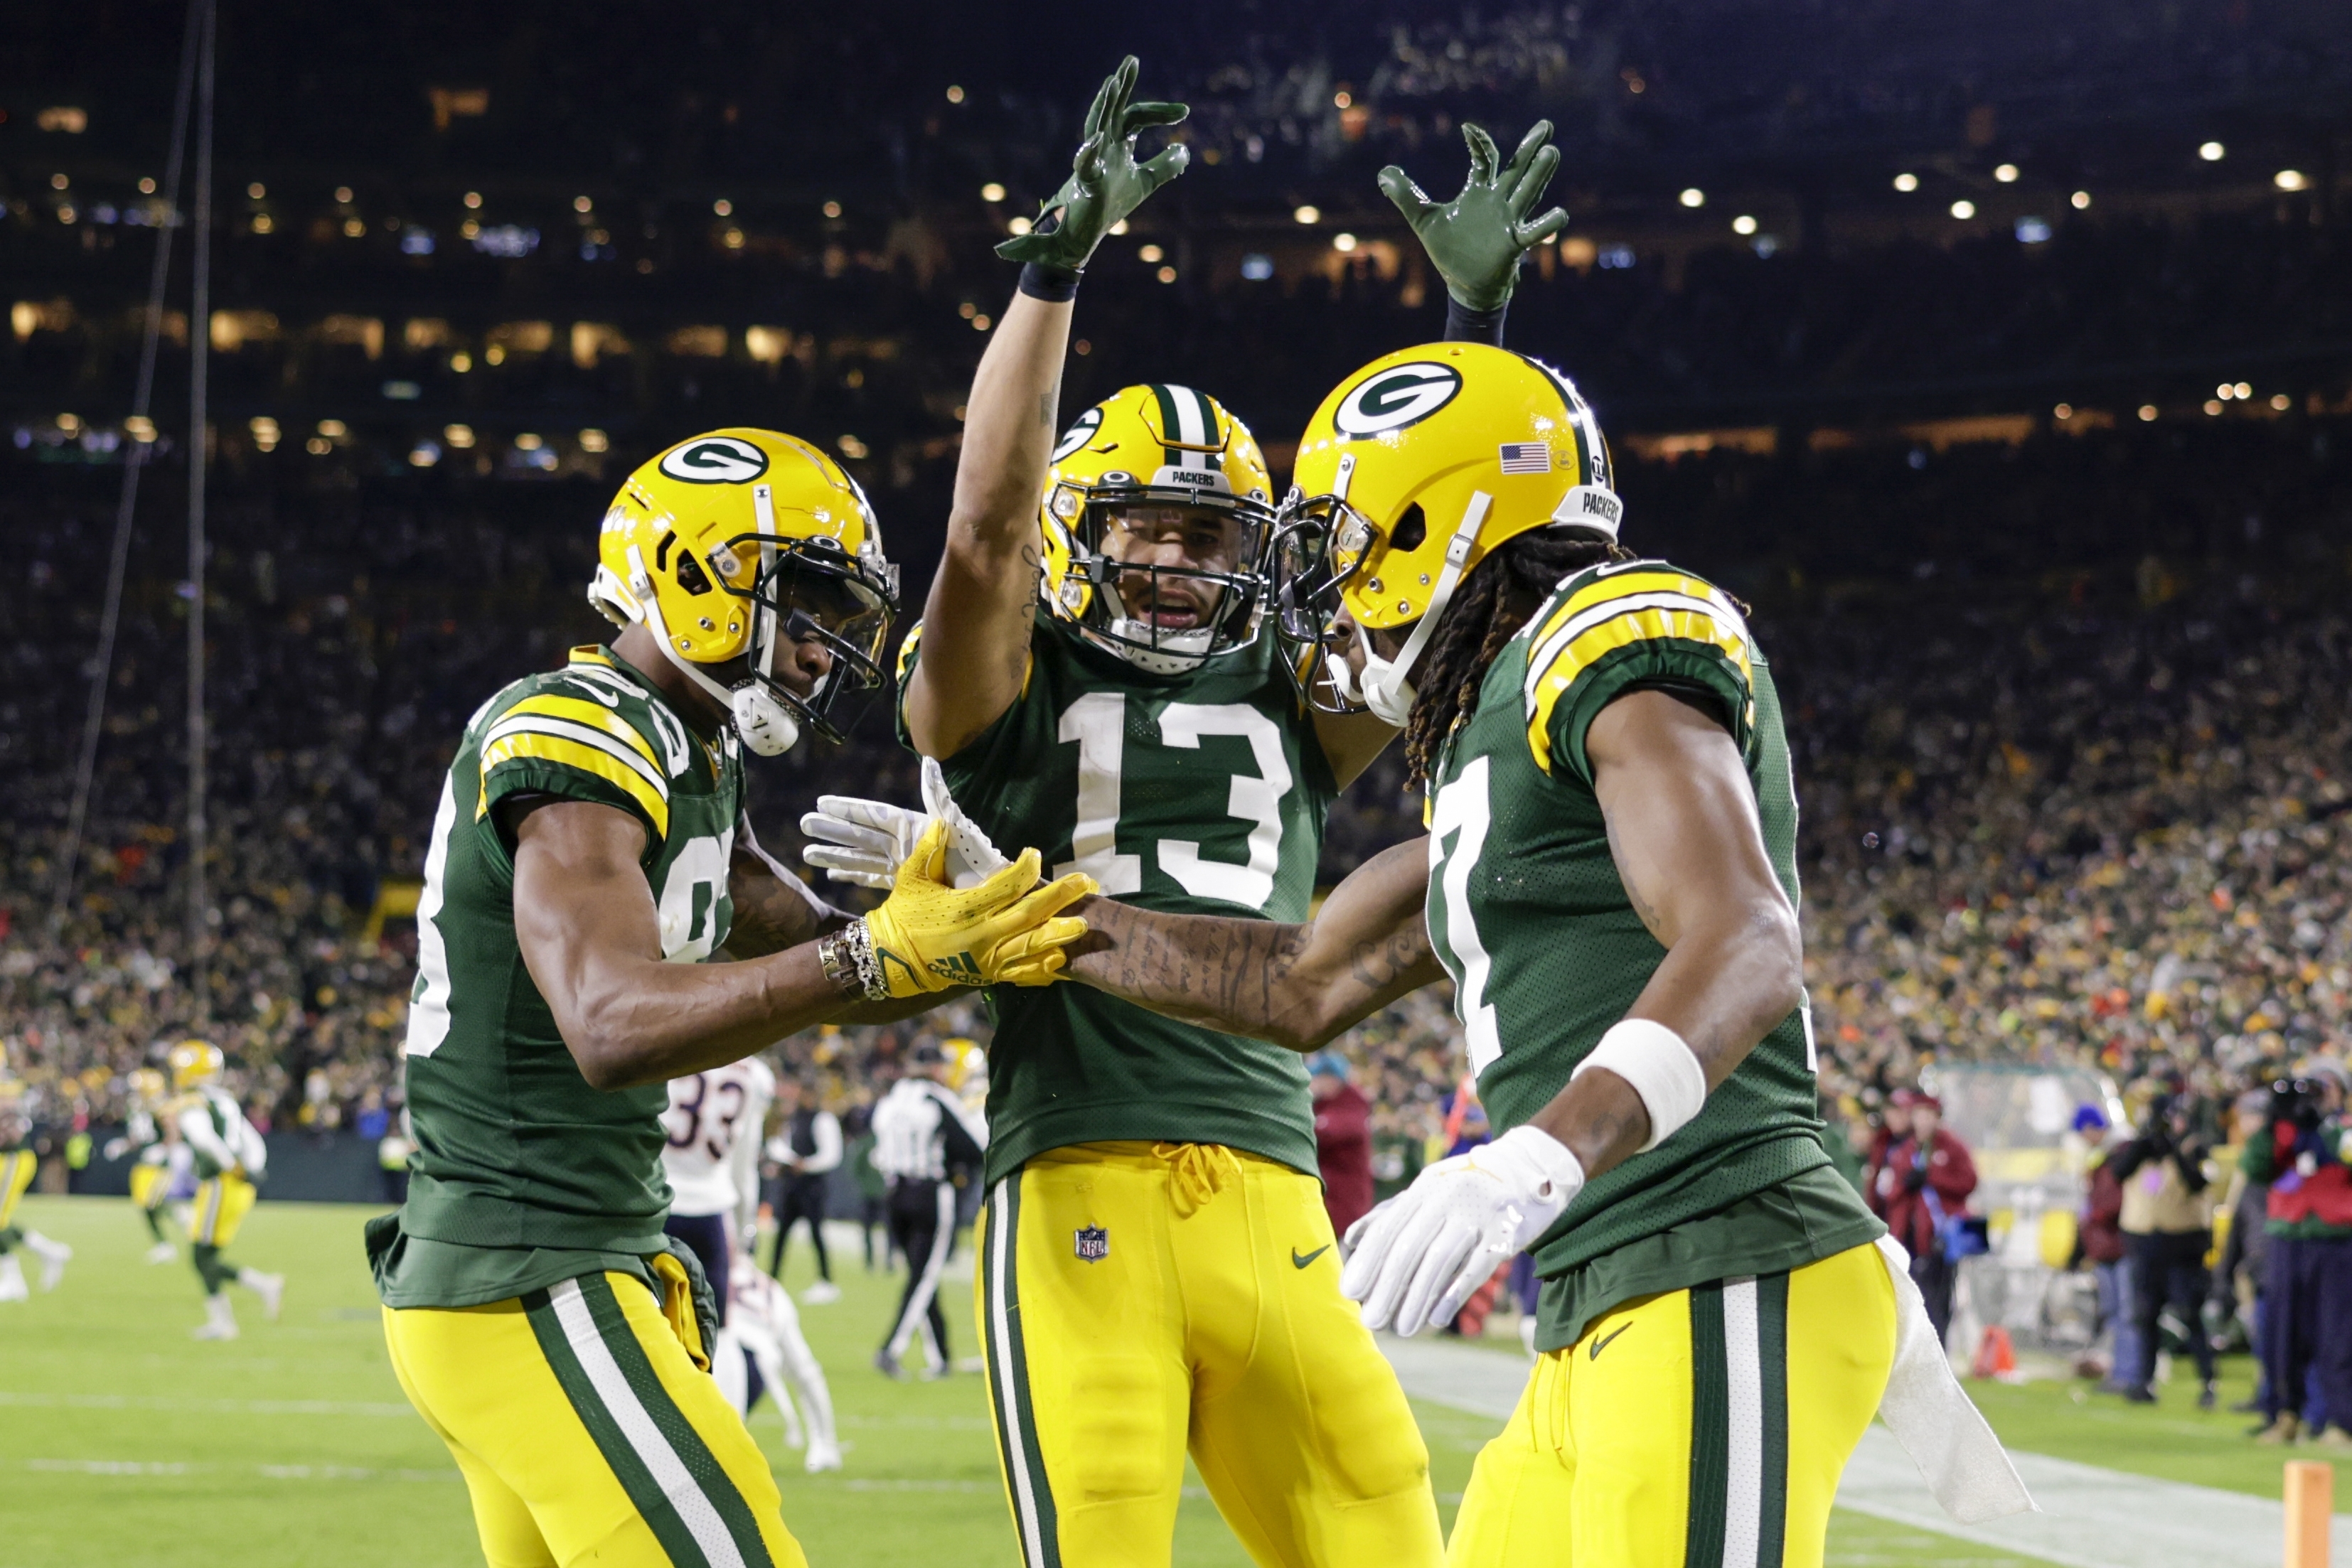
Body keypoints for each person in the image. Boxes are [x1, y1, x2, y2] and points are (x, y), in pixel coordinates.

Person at [980, 331, 2029, 1558]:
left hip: (1718, 1256)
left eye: (1350, 540)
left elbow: (1745, 938)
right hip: (1602, 1299)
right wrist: (1005, 910)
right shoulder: (1497, 734)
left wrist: (1535, 1155)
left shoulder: (1608, 629)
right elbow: (1299, 977)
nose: (1332, 585)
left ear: (1436, 528)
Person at [798, 77, 1586, 1568]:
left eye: (1209, 533)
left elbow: (1434, 555)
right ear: (1074, 534)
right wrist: (1052, 271)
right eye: (1142, 527)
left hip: (1274, 1195)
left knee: (1390, 1539)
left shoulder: (1298, 693)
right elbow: (979, 525)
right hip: (1078, 1171)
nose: (1173, 560)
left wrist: (1469, 348)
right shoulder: (1006, 691)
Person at [368, 426, 1092, 1568]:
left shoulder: (689, 749)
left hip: (555, 1267)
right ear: (701, 576)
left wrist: (957, 942)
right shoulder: (578, 728)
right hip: (531, 1273)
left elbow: (822, 956)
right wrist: (874, 957)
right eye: (806, 606)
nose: (823, 651)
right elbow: (610, 1024)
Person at [2243, 1060, 2352, 1444]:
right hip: (2288, 1239)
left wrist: (2325, 1131)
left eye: (2327, 1088)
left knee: (2337, 1335)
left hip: (2337, 1241)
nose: (2319, 1096)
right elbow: (2255, 1168)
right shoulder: (2284, 1131)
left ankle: (2341, 1421)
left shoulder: (2343, 1130)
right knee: (2283, 1332)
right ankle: (2285, 1414)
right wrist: (2277, 1123)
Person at [869, 1042, 988, 1379]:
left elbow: (874, 1141)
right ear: (936, 1067)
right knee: (923, 1278)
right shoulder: (937, 1098)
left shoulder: (891, 1099)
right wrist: (956, 1170)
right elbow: (970, 1147)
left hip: (894, 1193)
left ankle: (942, 1357)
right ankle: (890, 1349)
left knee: (923, 1277)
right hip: (929, 1194)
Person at [163, 1040, 282, 1338]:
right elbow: (253, 1140)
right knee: (205, 1255)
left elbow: (202, 1138)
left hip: (222, 1183)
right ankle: (238, 1308)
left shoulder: (194, 1101)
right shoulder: (223, 1099)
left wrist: (231, 1166)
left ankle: (239, 1309)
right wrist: (252, 1168)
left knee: (202, 1256)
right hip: (235, 1184)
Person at [2109, 1090, 2219, 1407]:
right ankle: (2145, 1381)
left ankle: (2207, 1381)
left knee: (2190, 1314)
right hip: (2145, 1246)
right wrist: (2145, 1147)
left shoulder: (2195, 1148)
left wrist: (2174, 1152)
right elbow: (2118, 1172)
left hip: (2183, 1247)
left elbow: (2198, 1182)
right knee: (2146, 1316)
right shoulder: (2138, 1150)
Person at [661, 1054, 779, 1338]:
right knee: (714, 1332)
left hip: (657, 1202)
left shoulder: (668, 1043)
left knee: (647, 1323)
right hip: (712, 1210)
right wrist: (743, 1236)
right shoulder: (756, 1075)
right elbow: (744, 1167)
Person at [1873, 1092, 1979, 1346]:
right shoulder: (1906, 1149)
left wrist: (1932, 1177)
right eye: (1918, 1114)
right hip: (1908, 1237)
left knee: (1939, 1300)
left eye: (1928, 1115)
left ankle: (1939, 1351)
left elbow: (1969, 1182)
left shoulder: (1951, 1146)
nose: (1922, 1120)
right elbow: (1889, 1191)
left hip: (1941, 1237)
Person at [2213, 1088, 2275, 1414]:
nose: (2245, 1124)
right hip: (2255, 1260)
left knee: (2273, 1335)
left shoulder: (2268, 1158)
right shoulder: (2249, 1157)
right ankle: (2267, 1393)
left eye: (2250, 1117)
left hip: (2267, 1260)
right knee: (2260, 1334)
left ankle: (2275, 1397)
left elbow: (2252, 1216)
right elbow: (2240, 1216)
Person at [2073, 1105, 2141, 1393]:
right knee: (2116, 1313)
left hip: (2121, 1245)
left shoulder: (2120, 1154)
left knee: (2128, 1314)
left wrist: (2095, 1215)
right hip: (2106, 1247)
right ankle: (2121, 1371)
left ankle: (2130, 1374)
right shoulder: (2104, 1157)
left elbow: (2113, 1202)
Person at [764, 1075, 843, 1303]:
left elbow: (831, 1155)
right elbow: (784, 1145)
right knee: (781, 1235)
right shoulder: (794, 1118)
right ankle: (772, 1281)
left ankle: (826, 1281)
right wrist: (784, 1162)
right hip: (793, 1186)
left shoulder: (824, 1119)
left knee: (817, 1234)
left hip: (813, 1187)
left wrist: (806, 1165)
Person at [0, 1064, 72, 1300]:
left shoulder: (8, 1090)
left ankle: (14, 1281)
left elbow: (11, 1135)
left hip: (12, 1158)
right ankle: (50, 1252)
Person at [1308, 1051, 1374, 1240]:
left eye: (1316, 1078)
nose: (1311, 1084)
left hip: (1343, 1208)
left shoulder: (1350, 1106)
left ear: (1331, 1080)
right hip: (1330, 1203)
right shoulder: (1325, 1106)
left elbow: (1322, 1132)